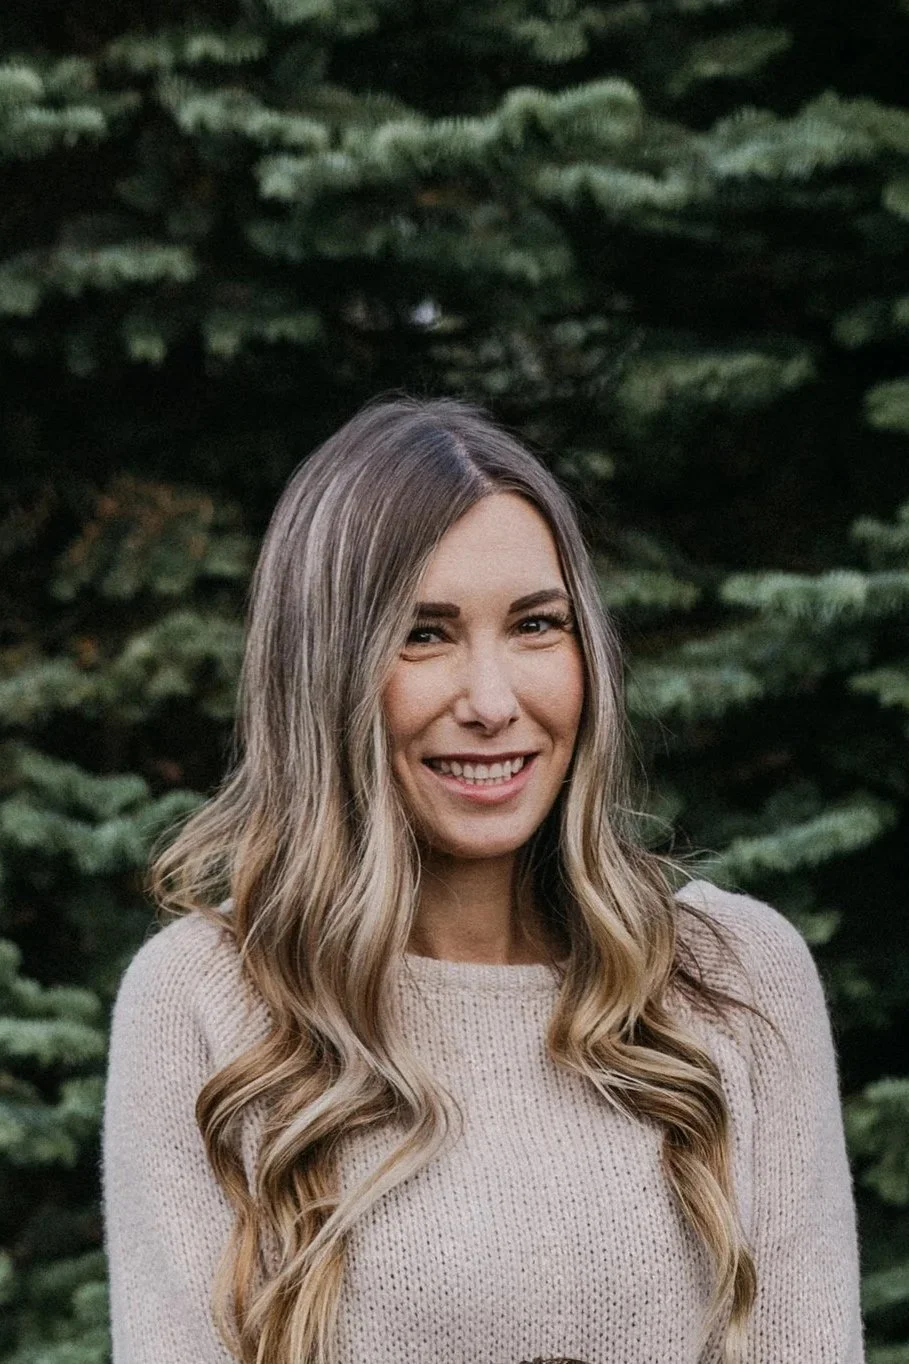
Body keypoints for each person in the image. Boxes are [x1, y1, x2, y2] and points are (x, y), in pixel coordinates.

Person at [101, 395, 864, 1364]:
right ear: (326, 672)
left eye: (536, 625)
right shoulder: (206, 1002)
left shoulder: (736, 975)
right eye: (425, 633)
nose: (494, 701)